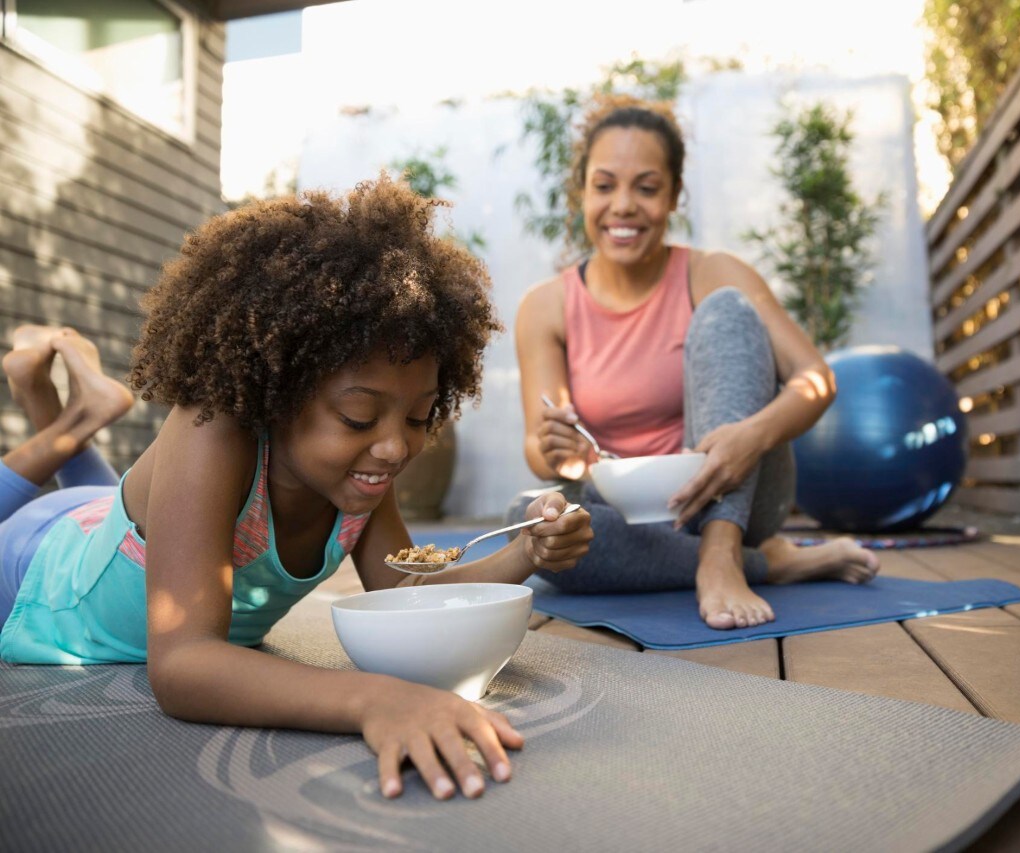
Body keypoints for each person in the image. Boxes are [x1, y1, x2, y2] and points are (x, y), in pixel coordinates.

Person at [0, 177, 593, 802]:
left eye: (419, 418)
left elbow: (403, 589)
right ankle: (59, 416)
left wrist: (526, 552)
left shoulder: (359, 473)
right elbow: (181, 665)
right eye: (360, 419)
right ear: (277, 396)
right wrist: (374, 700)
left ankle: (57, 408)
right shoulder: (211, 432)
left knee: (116, 513)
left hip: (111, 532)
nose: (394, 447)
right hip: (36, 571)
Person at [513, 96, 879, 632]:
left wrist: (751, 437)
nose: (623, 206)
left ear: (673, 195)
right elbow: (538, 447)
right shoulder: (545, 306)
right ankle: (773, 562)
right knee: (529, 522)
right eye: (605, 184)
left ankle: (724, 550)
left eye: (646, 187)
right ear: (582, 192)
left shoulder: (712, 272)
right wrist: (555, 453)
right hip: (629, 513)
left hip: (738, 494)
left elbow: (817, 380)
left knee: (729, 310)